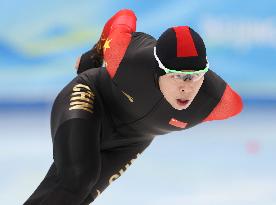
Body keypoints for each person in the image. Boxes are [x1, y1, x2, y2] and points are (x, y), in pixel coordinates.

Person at [23, 9, 243, 205]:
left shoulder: (220, 101)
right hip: (91, 97)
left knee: (78, 196)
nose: (188, 87)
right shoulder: (125, 58)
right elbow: (124, 16)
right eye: (178, 76)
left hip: (131, 141)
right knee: (78, 178)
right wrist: (96, 52)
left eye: (195, 76)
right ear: (158, 70)